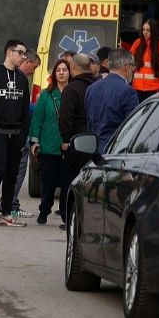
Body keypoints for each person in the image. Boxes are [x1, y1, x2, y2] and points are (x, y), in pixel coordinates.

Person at [0, 40, 31, 227]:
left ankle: (6, 212)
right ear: (9, 52)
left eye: (24, 53)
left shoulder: (22, 79)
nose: (23, 57)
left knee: (12, 173)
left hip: (16, 134)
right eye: (20, 53)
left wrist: (24, 134)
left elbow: (25, 109)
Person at [29, 59, 71, 226]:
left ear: (70, 73)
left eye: (64, 70)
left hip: (67, 146)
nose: (61, 72)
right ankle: (44, 210)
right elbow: (37, 119)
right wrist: (34, 142)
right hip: (48, 146)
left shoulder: (73, 93)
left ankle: (65, 215)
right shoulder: (46, 94)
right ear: (54, 74)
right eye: (58, 70)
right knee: (48, 182)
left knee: (67, 182)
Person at [58, 53, 96, 227]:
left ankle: (70, 218)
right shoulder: (97, 86)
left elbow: (66, 118)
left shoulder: (71, 89)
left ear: (74, 68)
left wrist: (66, 140)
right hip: (95, 143)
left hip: (75, 144)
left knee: (71, 182)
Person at [85, 49, 140, 154]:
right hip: (116, 152)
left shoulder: (91, 88)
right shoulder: (128, 92)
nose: (134, 70)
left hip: (94, 153)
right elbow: (133, 128)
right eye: (133, 66)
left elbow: (89, 124)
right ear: (126, 66)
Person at [8, 49, 40, 219]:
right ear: (27, 63)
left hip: (15, 132)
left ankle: (11, 203)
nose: (33, 72)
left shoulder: (13, 77)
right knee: (18, 171)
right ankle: (10, 204)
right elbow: (22, 108)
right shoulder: (19, 79)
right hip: (20, 132)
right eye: (33, 68)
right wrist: (38, 107)